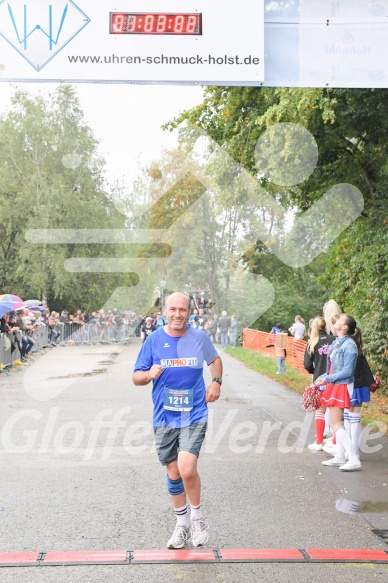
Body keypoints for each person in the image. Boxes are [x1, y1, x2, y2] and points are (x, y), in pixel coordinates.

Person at [133, 292, 222, 549]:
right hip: (164, 416)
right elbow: (136, 377)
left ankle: (197, 518)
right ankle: (181, 525)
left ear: (189, 312)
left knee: (186, 467)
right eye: (172, 309)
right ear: (164, 312)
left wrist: (216, 382)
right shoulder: (153, 340)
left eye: (182, 309)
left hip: (194, 412)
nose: (177, 314)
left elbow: (215, 360)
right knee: (173, 473)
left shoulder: (199, 338)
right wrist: (148, 374)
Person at [315, 314, 360, 471]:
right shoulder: (337, 342)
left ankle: (353, 458)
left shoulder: (349, 346)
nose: (336, 320)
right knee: (337, 424)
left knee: (336, 424)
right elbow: (331, 368)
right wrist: (322, 378)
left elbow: (347, 371)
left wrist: (327, 379)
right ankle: (340, 456)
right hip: (334, 383)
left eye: (340, 319)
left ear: (345, 327)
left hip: (341, 385)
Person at [304, 317, 335, 451]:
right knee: (335, 411)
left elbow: (307, 364)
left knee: (320, 411)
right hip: (334, 378)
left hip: (319, 379)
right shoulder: (334, 340)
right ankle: (335, 441)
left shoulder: (312, 343)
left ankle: (318, 442)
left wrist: (315, 371)